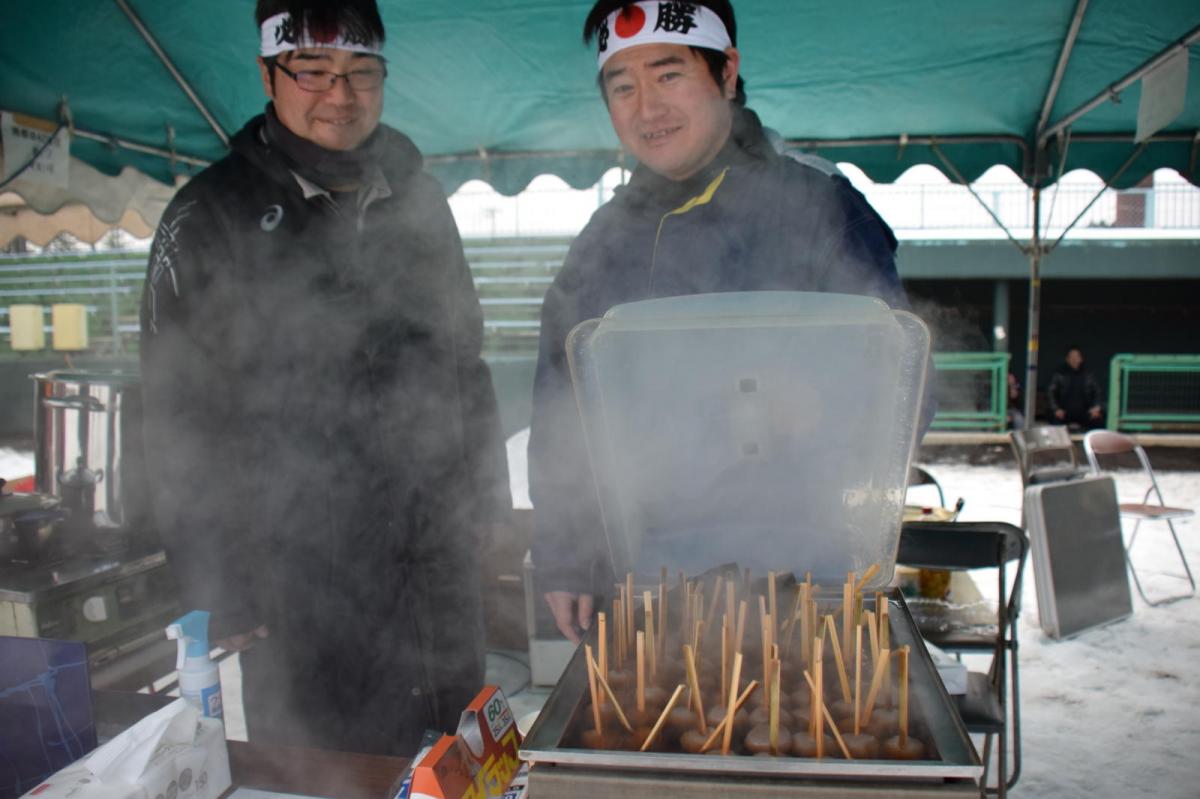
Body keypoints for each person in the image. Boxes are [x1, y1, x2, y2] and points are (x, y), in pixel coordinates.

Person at [139, 0, 508, 755]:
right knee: (332, 767)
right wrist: (218, 582)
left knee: (459, 761)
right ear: (268, 75)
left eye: (361, 72)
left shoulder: (420, 199)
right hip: (300, 574)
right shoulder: (208, 214)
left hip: (435, 560)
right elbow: (177, 415)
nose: (340, 96)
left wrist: (486, 501)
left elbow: (463, 361)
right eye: (312, 71)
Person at [528, 0, 926, 643]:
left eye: (669, 74)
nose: (647, 108)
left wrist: (816, 408)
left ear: (727, 72)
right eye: (622, 87)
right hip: (647, 574)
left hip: (809, 574)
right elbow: (560, 405)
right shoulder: (603, 241)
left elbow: (904, 382)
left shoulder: (818, 207)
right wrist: (565, 557)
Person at [1048, 346, 1105, 429]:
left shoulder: (1088, 375)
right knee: (1055, 423)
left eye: (1077, 357)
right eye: (1071, 357)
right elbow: (1051, 392)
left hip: (1085, 412)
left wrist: (1096, 407)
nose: (1074, 359)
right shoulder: (1059, 374)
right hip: (1064, 412)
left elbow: (1098, 392)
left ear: (1081, 359)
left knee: (1098, 421)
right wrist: (1056, 409)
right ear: (1067, 359)